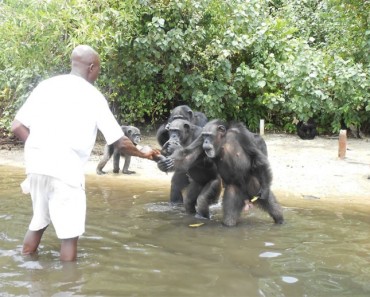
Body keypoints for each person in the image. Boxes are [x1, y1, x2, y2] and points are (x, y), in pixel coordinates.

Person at [11, 45, 160, 261]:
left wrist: (40, 146)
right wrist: (143, 153)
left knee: (38, 222)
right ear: (91, 67)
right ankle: (68, 287)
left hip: (36, 164)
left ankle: (29, 275)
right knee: (69, 237)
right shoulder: (93, 96)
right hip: (65, 170)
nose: (98, 74)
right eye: (98, 69)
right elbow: (119, 142)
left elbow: (17, 126)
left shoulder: (46, 86)